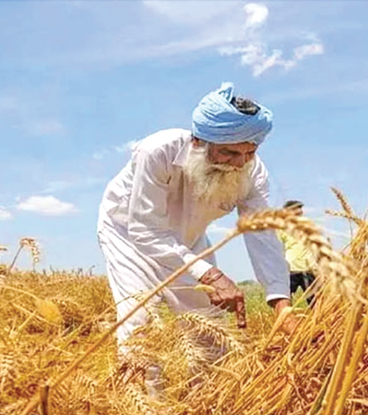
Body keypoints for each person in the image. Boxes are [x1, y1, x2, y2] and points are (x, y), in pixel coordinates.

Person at [96, 82, 295, 394]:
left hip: (188, 241)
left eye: (250, 152)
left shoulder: (252, 172)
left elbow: (261, 231)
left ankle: (210, 401)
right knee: (140, 323)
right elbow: (145, 230)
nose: (240, 162)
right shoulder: (157, 151)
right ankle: (146, 403)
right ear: (200, 141)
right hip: (129, 236)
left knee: (210, 327)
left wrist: (281, 304)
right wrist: (211, 274)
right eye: (229, 152)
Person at [277, 200, 318, 305]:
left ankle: (317, 321)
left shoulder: (308, 224)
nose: (299, 211)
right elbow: (277, 247)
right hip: (291, 268)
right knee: (285, 300)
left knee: (314, 301)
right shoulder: (282, 227)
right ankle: (286, 320)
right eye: (296, 208)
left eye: (300, 208)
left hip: (308, 268)